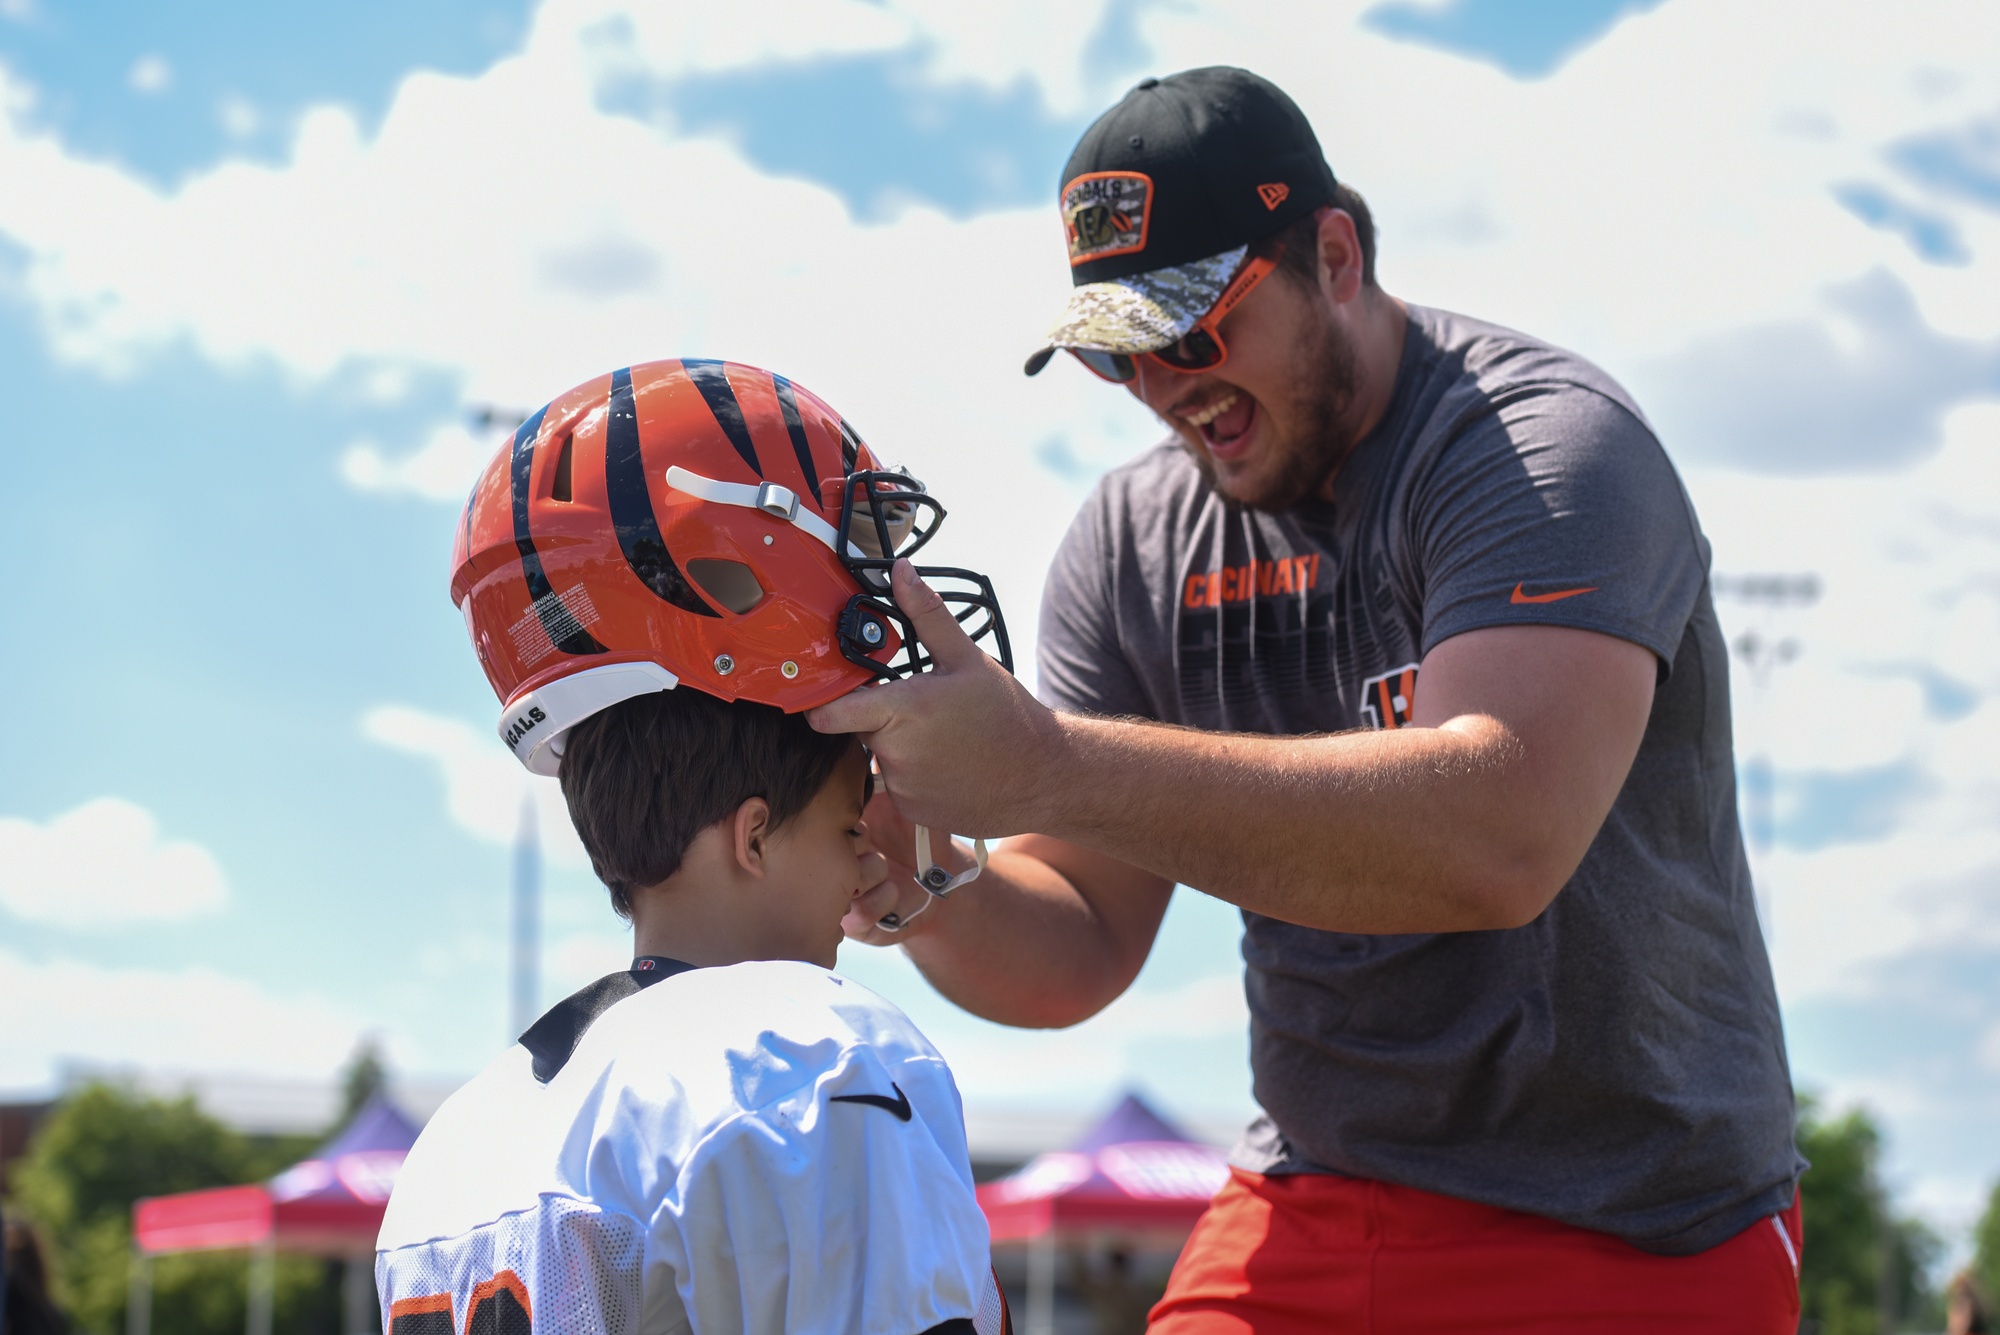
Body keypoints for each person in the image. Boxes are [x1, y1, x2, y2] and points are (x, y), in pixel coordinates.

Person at [812, 67, 1804, 1330]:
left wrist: (1045, 764)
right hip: (1323, 1185)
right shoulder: (1131, 539)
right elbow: (1076, 944)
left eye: (1190, 328)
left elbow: (1495, 840)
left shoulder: (1543, 446)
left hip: (1639, 1216)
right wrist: (929, 884)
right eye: (1117, 357)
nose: (1166, 387)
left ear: (1333, 254)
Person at [376, 360, 1013, 1335]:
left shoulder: (452, 1144)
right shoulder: (812, 1063)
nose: (864, 870)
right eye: (851, 826)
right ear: (752, 836)